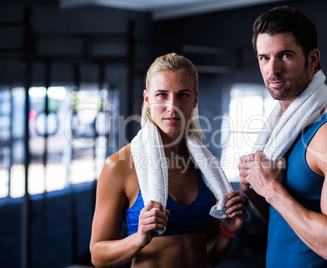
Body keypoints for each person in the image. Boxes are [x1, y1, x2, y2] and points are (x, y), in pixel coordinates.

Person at [238, 6, 327, 268]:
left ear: (312, 59)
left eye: (285, 55)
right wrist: (254, 189)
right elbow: (287, 223)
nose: (273, 69)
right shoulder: (279, 132)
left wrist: (271, 189)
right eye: (264, 58)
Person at [90, 53, 247, 267]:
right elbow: (98, 256)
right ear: (147, 99)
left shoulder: (206, 167)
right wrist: (139, 238)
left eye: (182, 95)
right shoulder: (118, 166)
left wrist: (227, 233)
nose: (172, 106)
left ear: (195, 100)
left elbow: (206, 257)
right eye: (162, 95)